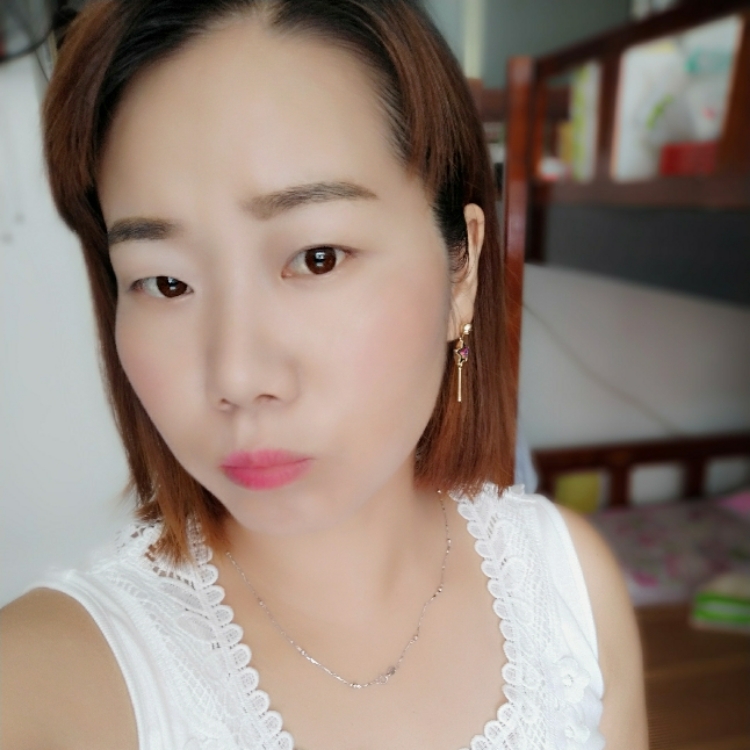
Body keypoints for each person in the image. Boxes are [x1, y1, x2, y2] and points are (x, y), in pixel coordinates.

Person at [0, 1, 647, 748]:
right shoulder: (49, 677)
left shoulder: (569, 588)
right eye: (166, 283)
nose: (238, 375)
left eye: (317, 258)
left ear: (462, 270)